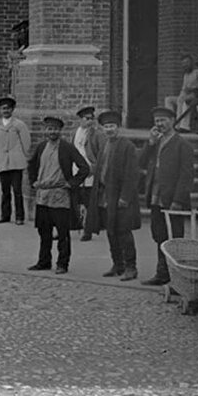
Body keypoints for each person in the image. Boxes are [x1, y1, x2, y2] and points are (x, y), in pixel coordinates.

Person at [26, 116, 91, 274]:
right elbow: (31, 164)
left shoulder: (67, 148)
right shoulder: (41, 147)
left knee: (63, 233)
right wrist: (33, 181)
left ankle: (63, 263)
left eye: (55, 129)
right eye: (49, 129)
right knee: (44, 231)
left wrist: (72, 183)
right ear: (45, 131)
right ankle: (44, 261)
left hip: (60, 196)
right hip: (43, 196)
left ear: (60, 131)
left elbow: (84, 167)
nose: (52, 132)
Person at [139, 105, 195, 286]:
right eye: (157, 121)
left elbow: (186, 175)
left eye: (163, 120)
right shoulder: (156, 142)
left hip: (172, 201)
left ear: (172, 121)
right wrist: (150, 142)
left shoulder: (182, 145)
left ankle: (177, 277)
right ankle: (162, 273)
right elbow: (140, 162)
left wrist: (178, 200)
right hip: (156, 197)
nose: (160, 124)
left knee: (174, 238)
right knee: (159, 235)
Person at [94, 110, 141, 281]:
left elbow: (132, 174)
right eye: (106, 127)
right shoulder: (104, 146)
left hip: (121, 198)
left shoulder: (127, 146)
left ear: (118, 128)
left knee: (124, 233)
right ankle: (117, 264)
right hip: (106, 196)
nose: (109, 130)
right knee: (111, 232)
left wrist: (125, 198)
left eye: (112, 126)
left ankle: (131, 267)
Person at [0, 96, 29, 226]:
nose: (5, 111)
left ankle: (20, 217)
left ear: (12, 109)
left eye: (8, 108)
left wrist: (22, 155)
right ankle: (5, 215)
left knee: (17, 191)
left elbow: (26, 143)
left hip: (16, 162)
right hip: (3, 162)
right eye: (3, 108)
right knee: (5, 191)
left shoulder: (19, 125)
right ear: (0, 110)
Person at [72, 106, 104, 241]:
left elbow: (102, 154)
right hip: (76, 170)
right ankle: (76, 226)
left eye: (92, 118)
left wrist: (94, 168)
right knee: (76, 200)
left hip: (89, 171)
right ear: (81, 120)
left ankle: (88, 229)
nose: (90, 121)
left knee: (88, 201)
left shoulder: (97, 134)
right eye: (87, 119)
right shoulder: (77, 132)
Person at [175, 54, 198, 132]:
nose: (185, 65)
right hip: (186, 94)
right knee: (169, 100)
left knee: (183, 101)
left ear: (191, 63)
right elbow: (184, 88)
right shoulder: (186, 75)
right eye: (183, 63)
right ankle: (176, 124)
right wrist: (184, 91)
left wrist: (193, 88)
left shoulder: (197, 72)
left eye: (187, 63)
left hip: (195, 94)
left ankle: (184, 126)